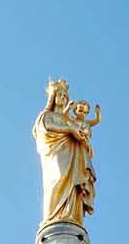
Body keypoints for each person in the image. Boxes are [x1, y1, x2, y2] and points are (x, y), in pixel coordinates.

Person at [32, 79, 99, 226]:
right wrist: (69, 130)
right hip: (55, 154)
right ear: (54, 97)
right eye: (60, 95)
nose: (63, 98)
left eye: (65, 96)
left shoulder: (68, 119)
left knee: (73, 184)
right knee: (57, 179)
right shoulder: (46, 115)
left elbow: (83, 130)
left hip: (73, 155)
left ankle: (72, 215)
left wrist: (80, 134)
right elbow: (44, 128)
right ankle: (53, 217)